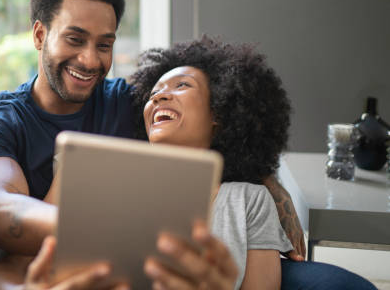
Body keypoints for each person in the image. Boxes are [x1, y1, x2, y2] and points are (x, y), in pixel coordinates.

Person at [0, 0, 304, 288]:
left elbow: (213, 127)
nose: (90, 59)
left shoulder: (131, 102)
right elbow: (1, 214)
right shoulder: (1, 121)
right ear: (39, 35)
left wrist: (273, 195)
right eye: (75, 39)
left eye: (104, 45)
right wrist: (112, 231)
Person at [129, 36, 376, 289]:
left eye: (182, 85)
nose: (159, 97)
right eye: (154, 92)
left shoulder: (250, 200)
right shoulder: (128, 193)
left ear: (219, 112)